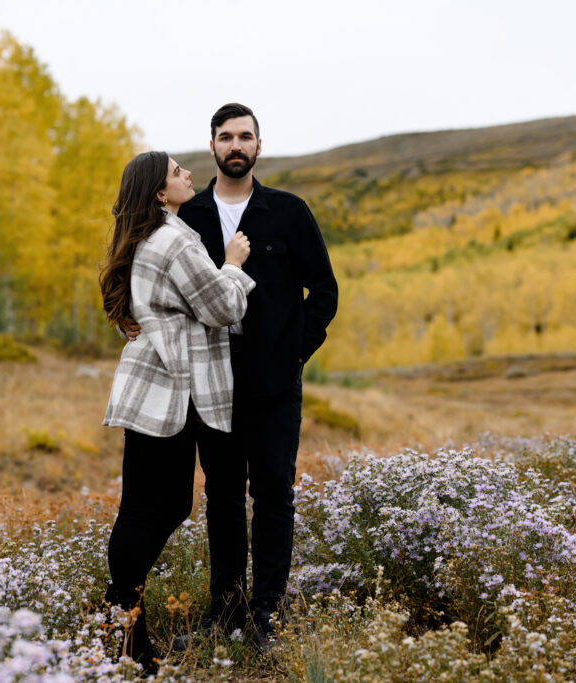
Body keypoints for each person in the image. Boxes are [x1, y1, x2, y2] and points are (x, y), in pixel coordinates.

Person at [170, 103, 339, 651]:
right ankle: (226, 611)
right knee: (221, 496)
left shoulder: (288, 212)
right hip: (211, 382)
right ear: (212, 146)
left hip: (273, 384)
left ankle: (267, 613)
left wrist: (295, 353)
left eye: (245, 136)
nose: (235, 145)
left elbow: (325, 292)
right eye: (226, 137)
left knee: (273, 496)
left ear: (259, 146)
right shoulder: (188, 217)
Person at [99, 150, 256, 675]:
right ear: (160, 192)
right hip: (171, 392)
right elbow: (223, 307)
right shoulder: (175, 239)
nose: (188, 174)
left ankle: (124, 624)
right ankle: (121, 623)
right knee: (154, 509)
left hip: (151, 388)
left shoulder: (143, 237)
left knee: (152, 507)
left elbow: (138, 306)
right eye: (176, 172)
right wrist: (233, 264)